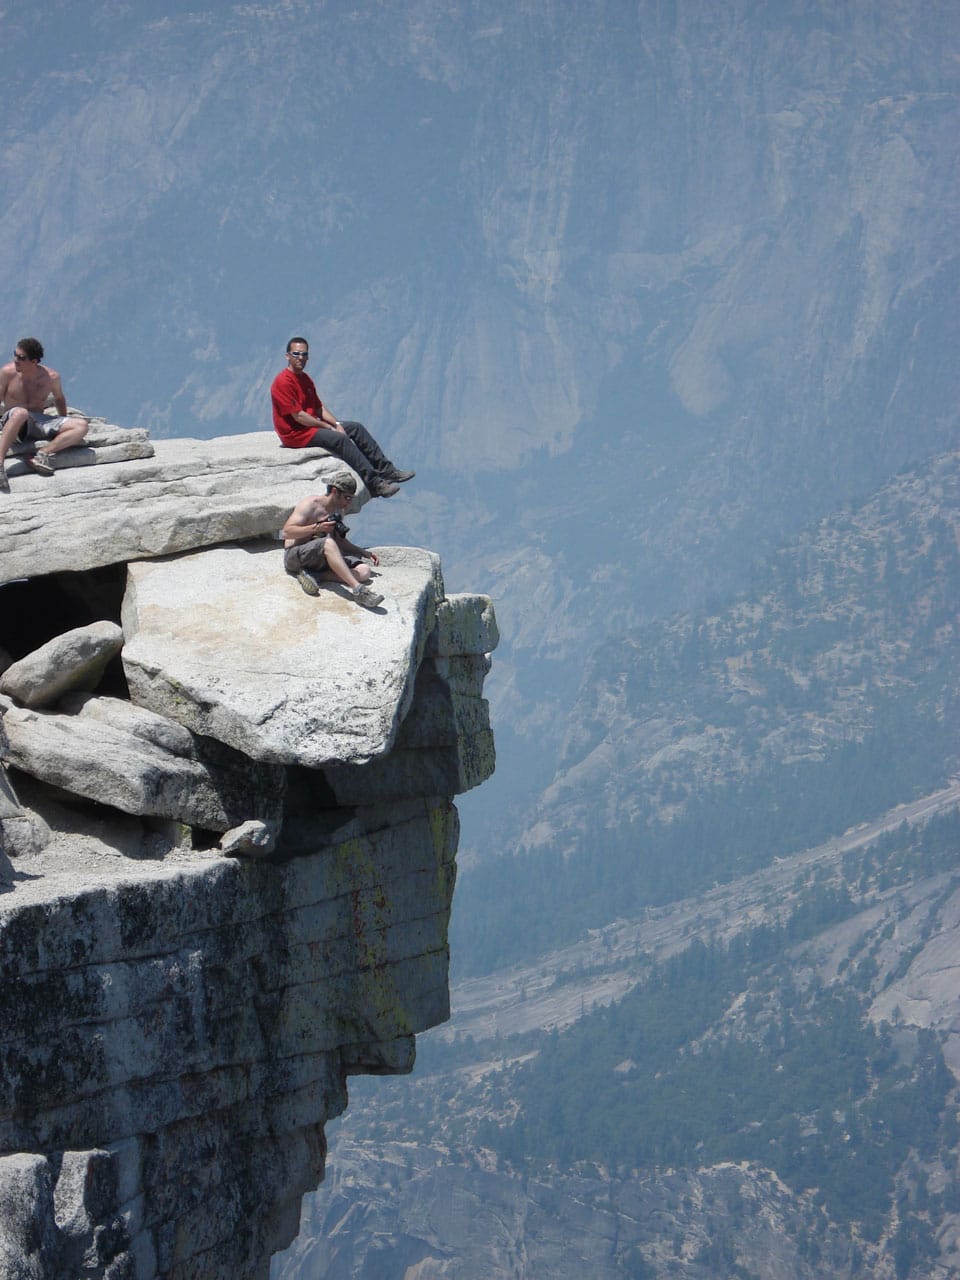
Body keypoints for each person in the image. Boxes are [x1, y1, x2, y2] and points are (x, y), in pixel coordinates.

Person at [270, 336, 414, 498]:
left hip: (311, 426)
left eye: (304, 354)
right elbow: (299, 416)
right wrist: (327, 427)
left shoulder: (305, 379)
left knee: (356, 428)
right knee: (340, 440)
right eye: (296, 354)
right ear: (287, 356)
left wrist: (336, 424)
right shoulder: (283, 382)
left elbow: (319, 408)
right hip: (296, 434)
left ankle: (387, 470)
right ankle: (375, 484)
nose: (301, 358)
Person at [282, 471, 384, 609]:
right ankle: (359, 591)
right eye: (347, 498)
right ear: (335, 491)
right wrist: (317, 528)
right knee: (328, 543)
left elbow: (340, 541)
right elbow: (287, 532)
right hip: (296, 555)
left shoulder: (337, 511)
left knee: (364, 571)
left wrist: (363, 552)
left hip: (320, 556)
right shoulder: (310, 505)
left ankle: (317, 576)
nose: (348, 503)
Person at [0, 338, 89, 492]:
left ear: (34, 361)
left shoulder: (51, 378)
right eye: (15, 355)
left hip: (38, 421)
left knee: (81, 426)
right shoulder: (8, 373)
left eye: (21, 358)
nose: (16, 360)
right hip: (14, 422)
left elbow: (59, 398)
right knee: (21, 413)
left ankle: (43, 453)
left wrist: (63, 420)